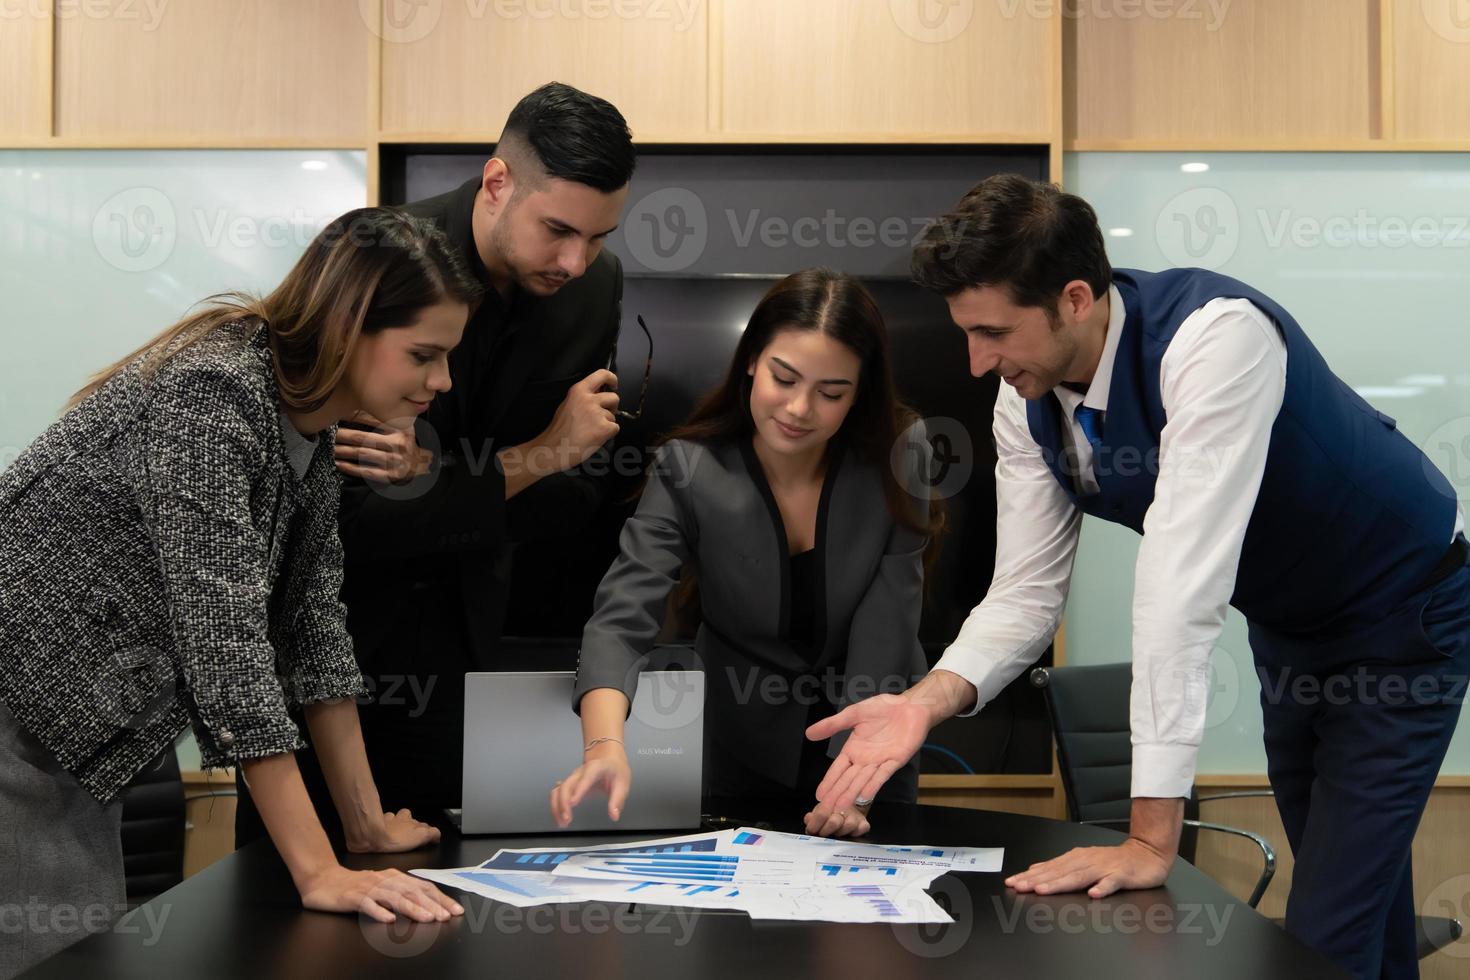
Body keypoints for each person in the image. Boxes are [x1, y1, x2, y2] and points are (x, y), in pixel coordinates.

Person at [804, 174, 1469, 979]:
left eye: (994, 332)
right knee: (1362, 903)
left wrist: (1152, 836)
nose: (979, 363)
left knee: (1323, 933)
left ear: (1075, 299)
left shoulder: (1217, 339)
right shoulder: (1027, 397)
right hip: (1291, 628)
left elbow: (1179, 591)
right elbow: (1024, 593)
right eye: (966, 334)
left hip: (1403, 616)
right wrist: (924, 702)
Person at [0, 207, 477, 979]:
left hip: (63, 723)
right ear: (350, 326)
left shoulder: (308, 426)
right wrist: (319, 871)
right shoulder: (211, 392)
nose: (442, 381)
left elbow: (313, 625)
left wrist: (365, 825)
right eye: (424, 354)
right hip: (15, 707)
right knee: (56, 958)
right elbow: (227, 651)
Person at [233, 82, 636, 845]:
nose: (576, 261)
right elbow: (356, 513)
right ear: (497, 182)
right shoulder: (378, 261)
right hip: (328, 642)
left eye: (598, 237)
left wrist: (439, 474)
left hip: (474, 659)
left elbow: (582, 493)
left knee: (447, 912)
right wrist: (540, 453)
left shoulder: (592, 292)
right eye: (558, 230)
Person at [548, 268, 937, 839]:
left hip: (872, 739)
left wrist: (852, 781)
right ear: (752, 359)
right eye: (784, 378)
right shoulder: (689, 466)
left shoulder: (900, 452)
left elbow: (889, 623)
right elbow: (622, 618)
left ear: (861, 392)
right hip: (738, 742)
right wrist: (604, 746)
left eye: (832, 393)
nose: (800, 409)